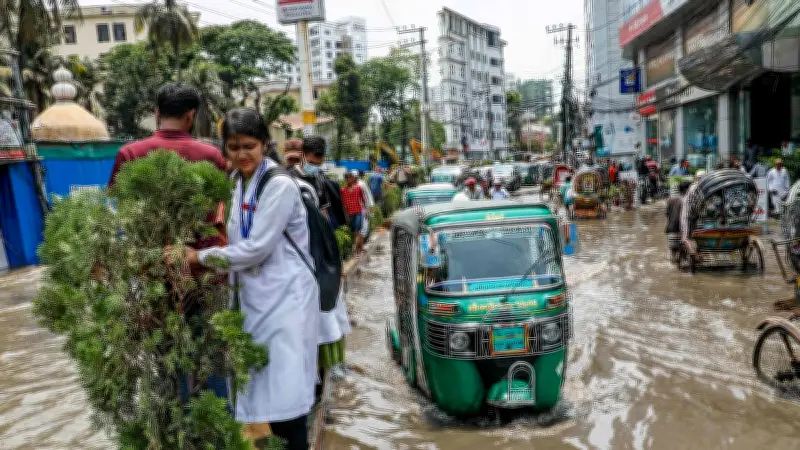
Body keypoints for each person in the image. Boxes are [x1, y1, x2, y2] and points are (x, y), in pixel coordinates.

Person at [180, 107, 319, 450]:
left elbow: (256, 248)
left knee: (287, 396)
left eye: (249, 146)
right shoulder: (237, 182)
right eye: (233, 147)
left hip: (285, 300)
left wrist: (198, 258)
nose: (241, 154)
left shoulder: (279, 185)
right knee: (265, 392)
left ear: (265, 144)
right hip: (256, 298)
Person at [109, 83, 230, 408]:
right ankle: (215, 423)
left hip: (154, 275)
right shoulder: (212, 156)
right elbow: (222, 215)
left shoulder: (130, 154)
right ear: (191, 115)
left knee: (164, 358)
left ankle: (171, 424)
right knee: (211, 356)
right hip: (204, 273)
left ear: (156, 113)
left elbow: (124, 215)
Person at [299, 136, 348, 230]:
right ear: (302, 155)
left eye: (318, 164)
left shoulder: (320, 179)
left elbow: (323, 209)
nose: (314, 167)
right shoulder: (289, 178)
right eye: (311, 163)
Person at [341, 171, 369, 255]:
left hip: (358, 212)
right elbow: (343, 204)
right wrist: (345, 215)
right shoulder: (343, 190)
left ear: (352, 178)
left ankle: (355, 248)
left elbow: (363, 200)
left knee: (357, 229)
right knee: (354, 230)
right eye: (347, 178)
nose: (349, 180)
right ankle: (360, 248)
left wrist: (366, 211)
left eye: (350, 178)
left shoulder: (358, 188)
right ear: (345, 179)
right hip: (349, 213)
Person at [666, 181, 691, 264]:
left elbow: (667, 213)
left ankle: (674, 265)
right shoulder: (686, 200)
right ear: (686, 189)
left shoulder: (670, 199)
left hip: (671, 227)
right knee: (683, 250)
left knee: (673, 250)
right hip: (682, 228)